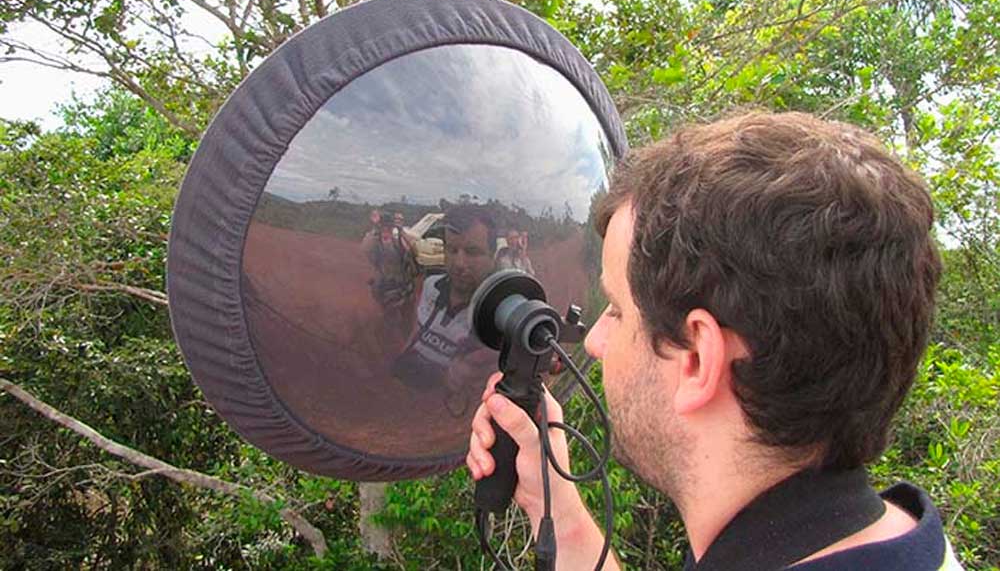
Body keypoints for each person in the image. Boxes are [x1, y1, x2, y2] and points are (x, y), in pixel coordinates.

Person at [467, 112, 962, 570]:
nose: (595, 340)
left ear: (700, 359)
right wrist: (558, 508)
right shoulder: (900, 541)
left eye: (617, 311)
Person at [393, 205, 498, 404]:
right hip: (406, 377)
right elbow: (417, 329)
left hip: (441, 401)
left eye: (472, 252)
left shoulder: (495, 315)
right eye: (452, 249)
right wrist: (400, 359)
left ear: (492, 259)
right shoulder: (430, 284)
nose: (459, 263)